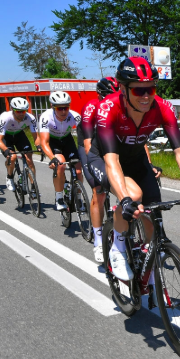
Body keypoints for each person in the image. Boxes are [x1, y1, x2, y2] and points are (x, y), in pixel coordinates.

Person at [91, 57, 180, 280]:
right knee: (134, 196)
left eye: (151, 89)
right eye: (139, 91)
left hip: (136, 160)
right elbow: (111, 160)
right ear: (124, 90)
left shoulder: (163, 107)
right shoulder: (108, 108)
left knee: (153, 210)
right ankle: (117, 248)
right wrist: (125, 199)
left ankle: (146, 258)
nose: (146, 96)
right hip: (104, 158)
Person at [80, 77, 118, 262]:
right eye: (109, 96)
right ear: (100, 96)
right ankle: (98, 240)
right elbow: (88, 145)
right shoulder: (91, 107)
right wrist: (102, 168)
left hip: (110, 146)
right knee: (99, 190)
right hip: (89, 146)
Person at [39, 91, 82, 212]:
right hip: (53, 141)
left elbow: (85, 135)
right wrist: (52, 157)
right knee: (61, 164)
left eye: (66, 108)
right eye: (60, 108)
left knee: (78, 169)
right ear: (53, 107)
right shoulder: (46, 117)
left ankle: (79, 198)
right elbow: (44, 142)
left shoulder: (75, 116)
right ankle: (58, 198)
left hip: (67, 140)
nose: (63, 111)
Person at [0, 97, 38, 192]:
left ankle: (33, 186)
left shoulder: (30, 118)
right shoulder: (5, 117)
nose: (22, 114)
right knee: (12, 157)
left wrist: (39, 147)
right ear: (12, 110)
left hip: (19, 135)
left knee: (29, 159)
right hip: (7, 136)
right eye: (18, 111)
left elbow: (36, 137)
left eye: (24, 111)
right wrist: (6, 150)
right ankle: (9, 176)